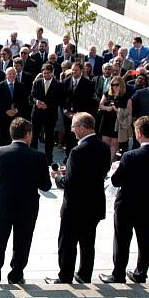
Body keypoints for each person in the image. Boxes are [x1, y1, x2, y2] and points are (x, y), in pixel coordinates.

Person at [100, 117, 149, 284]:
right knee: (146, 240)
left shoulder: (130, 156)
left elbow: (116, 181)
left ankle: (118, 274)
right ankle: (141, 273)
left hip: (127, 205)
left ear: (138, 133)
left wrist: (116, 169)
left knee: (122, 240)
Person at [0, 118, 52, 284]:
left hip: (2, 205)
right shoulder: (39, 156)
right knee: (22, 242)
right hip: (27, 207)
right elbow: (45, 186)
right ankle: (16, 275)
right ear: (28, 134)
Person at [46, 113, 111, 284]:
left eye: (74, 126)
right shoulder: (104, 147)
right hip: (95, 203)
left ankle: (65, 277)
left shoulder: (77, 151)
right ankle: (84, 275)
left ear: (82, 128)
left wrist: (57, 177)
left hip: (75, 206)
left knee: (67, 243)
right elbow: (101, 172)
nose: (72, 129)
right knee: (88, 243)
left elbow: (70, 183)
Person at [30, 64, 63, 164]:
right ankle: (33, 156)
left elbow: (59, 99)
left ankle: (48, 158)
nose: (46, 75)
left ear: (52, 73)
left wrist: (47, 105)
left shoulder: (58, 84)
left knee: (49, 137)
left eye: (48, 73)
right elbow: (32, 96)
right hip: (37, 114)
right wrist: (36, 102)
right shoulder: (37, 82)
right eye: (44, 73)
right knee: (34, 135)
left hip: (50, 115)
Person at [99, 76, 133, 160]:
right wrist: (107, 108)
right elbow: (100, 105)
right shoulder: (107, 93)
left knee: (114, 144)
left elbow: (129, 111)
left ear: (121, 84)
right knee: (105, 143)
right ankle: (105, 161)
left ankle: (111, 162)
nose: (114, 87)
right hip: (106, 121)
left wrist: (117, 110)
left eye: (116, 84)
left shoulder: (126, 96)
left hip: (117, 123)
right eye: (112, 85)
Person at [0, 67, 28, 147]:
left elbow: (24, 101)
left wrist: (16, 110)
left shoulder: (21, 86)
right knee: (4, 135)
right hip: (4, 115)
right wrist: (6, 110)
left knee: (16, 136)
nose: (12, 75)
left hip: (17, 115)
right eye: (10, 74)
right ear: (6, 75)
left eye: (14, 74)